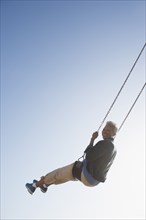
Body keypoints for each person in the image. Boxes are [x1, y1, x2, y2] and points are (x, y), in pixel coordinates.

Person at [25, 121, 118, 194]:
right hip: (93, 181)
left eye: (108, 130)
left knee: (59, 173)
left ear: (113, 134)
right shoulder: (114, 149)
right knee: (66, 176)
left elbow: (89, 156)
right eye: (104, 129)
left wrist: (92, 140)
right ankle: (45, 185)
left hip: (87, 175)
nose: (105, 131)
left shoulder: (105, 143)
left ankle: (34, 186)